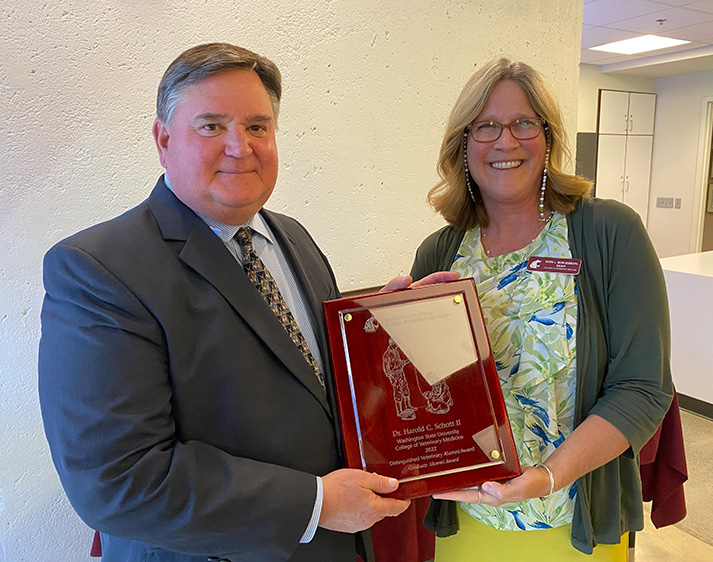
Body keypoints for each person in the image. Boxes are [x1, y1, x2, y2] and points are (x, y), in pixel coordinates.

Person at [38, 42, 448, 562]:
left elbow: (309, 378)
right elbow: (119, 481)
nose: (241, 146)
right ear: (164, 140)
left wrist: (375, 333)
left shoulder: (293, 238)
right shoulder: (98, 268)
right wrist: (316, 504)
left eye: (258, 126)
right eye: (211, 126)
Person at [408, 57, 673, 560]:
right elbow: (430, 395)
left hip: (576, 516)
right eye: (485, 126)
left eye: (524, 122)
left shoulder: (608, 234)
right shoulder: (439, 253)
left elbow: (642, 387)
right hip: (470, 517)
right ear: (462, 145)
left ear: (548, 137)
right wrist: (389, 330)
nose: (505, 141)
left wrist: (549, 476)